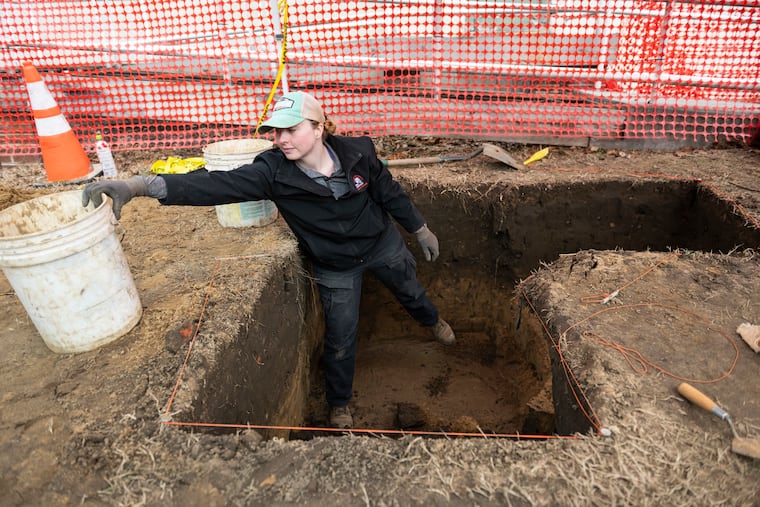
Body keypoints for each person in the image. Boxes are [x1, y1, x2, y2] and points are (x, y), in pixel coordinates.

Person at [82, 91, 456, 429]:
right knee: (341, 338)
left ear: (319, 127)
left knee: (411, 292)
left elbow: (389, 191)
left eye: (290, 130)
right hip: (335, 266)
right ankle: (340, 403)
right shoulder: (272, 172)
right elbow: (213, 184)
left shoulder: (358, 152)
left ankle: (433, 321)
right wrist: (139, 186)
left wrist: (419, 228)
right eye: (275, 132)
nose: (281, 139)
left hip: (382, 244)